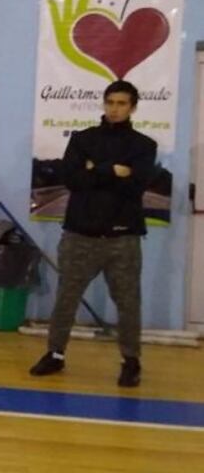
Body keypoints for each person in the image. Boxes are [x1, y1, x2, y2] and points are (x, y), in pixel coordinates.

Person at [29, 80, 157, 387]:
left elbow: (135, 185)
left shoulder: (143, 146)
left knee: (128, 302)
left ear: (133, 107)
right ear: (103, 104)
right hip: (79, 235)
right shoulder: (82, 139)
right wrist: (113, 170)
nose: (114, 109)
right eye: (110, 102)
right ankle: (55, 354)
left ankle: (131, 361)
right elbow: (73, 180)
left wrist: (94, 170)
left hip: (123, 238)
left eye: (121, 104)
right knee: (66, 299)